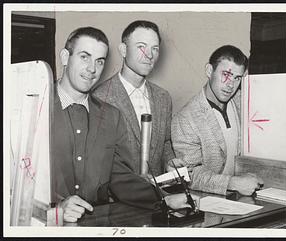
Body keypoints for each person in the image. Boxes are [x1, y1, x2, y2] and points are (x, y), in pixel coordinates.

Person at [52, 26, 192, 223]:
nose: (92, 69)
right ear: (65, 57)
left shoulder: (110, 116)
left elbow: (119, 177)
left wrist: (164, 198)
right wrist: (54, 211)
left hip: (98, 224)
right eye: (85, 57)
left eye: (99, 61)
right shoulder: (34, 108)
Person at [171, 45, 264, 196]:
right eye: (226, 74)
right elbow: (190, 174)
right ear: (209, 71)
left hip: (250, 196)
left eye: (237, 78)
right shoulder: (185, 118)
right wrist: (232, 183)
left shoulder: (244, 102)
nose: (230, 84)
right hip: (211, 204)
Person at [92, 20, 176, 176]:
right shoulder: (100, 97)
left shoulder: (163, 98)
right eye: (141, 47)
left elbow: (165, 144)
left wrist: (171, 162)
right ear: (123, 50)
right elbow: (99, 161)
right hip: (117, 197)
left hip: (156, 196)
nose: (149, 55)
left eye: (155, 48)